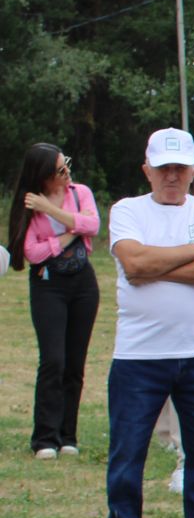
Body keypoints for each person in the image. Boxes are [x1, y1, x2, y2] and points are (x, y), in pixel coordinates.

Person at [103, 128, 194, 518]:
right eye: (163, 168)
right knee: (129, 448)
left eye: (180, 168)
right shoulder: (127, 210)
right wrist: (192, 251)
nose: (172, 176)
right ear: (147, 170)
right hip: (138, 355)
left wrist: (153, 266)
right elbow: (133, 261)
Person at [9, 142, 100, 459]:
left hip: (83, 283)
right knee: (53, 361)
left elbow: (94, 225)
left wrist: (52, 213)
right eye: (60, 169)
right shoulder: (27, 203)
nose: (66, 172)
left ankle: (68, 436)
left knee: (75, 363)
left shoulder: (80, 192)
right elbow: (31, 253)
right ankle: (45, 438)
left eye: (67, 164)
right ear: (43, 176)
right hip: (48, 285)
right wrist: (73, 230)